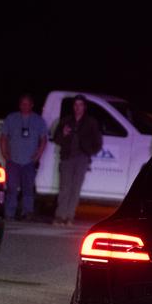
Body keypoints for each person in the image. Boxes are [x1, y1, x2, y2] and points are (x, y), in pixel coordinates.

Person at [51, 94, 103, 225]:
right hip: (67, 157)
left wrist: (88, 152)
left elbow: (98, 142)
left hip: (82, 158)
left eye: (80, 105)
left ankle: (69, 217)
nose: (77, 107)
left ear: (84, 107)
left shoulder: (91, 122)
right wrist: (63, 134)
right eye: (75, 105)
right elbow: (56, 138)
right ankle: (60, 216)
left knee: (75, 188)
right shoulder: (66, 120)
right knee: (64, 188)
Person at [0, 94, 48, 221]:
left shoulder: (38, 120)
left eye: (27, 104)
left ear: (32, 105)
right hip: (13, 161)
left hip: (29, 162)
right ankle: (9, 214)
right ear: (19, 105)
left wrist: (38, 155)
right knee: (11, 189)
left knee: (28, 189)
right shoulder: (11, 118)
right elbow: (3, 137)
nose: (24, 106)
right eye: (22, 103)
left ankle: (27, 213)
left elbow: (43, 140)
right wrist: (5, 154)